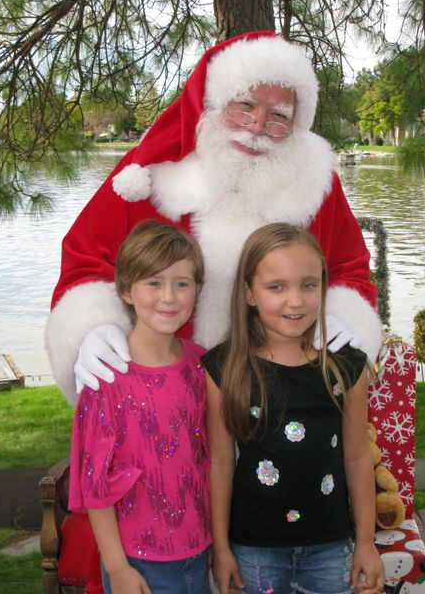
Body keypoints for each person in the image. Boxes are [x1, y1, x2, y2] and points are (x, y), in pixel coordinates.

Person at [47, 30, 383, 407]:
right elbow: (85, 257)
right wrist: (93, 327)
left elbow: (349, 265)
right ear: (215, 102)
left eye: (278, 117)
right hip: (161, 389)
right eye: (244, 106)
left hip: (276, 395)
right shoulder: (148, 175)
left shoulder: (317, 182)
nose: (257, 127)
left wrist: (339, 316)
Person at [204, 223, 384, 594]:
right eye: (277, 287)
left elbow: (356, 456)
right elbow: (221, 464)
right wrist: (221, 548)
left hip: (331, 546)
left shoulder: (345, 365)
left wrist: (365, 543)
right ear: (249, 293)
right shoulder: (225, 369)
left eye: (308, 284)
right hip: (254, 547)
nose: (296, 301)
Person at [68, 220, 212, 594]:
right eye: (153, 282)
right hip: (138, 560)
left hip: (201, 550)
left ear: (197, 289)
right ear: (126, 290)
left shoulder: (204, 366)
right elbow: (95, 486)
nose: (169, 297)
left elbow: (216, 460)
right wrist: (117, 569)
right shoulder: (108, 379)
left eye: (182, 283)